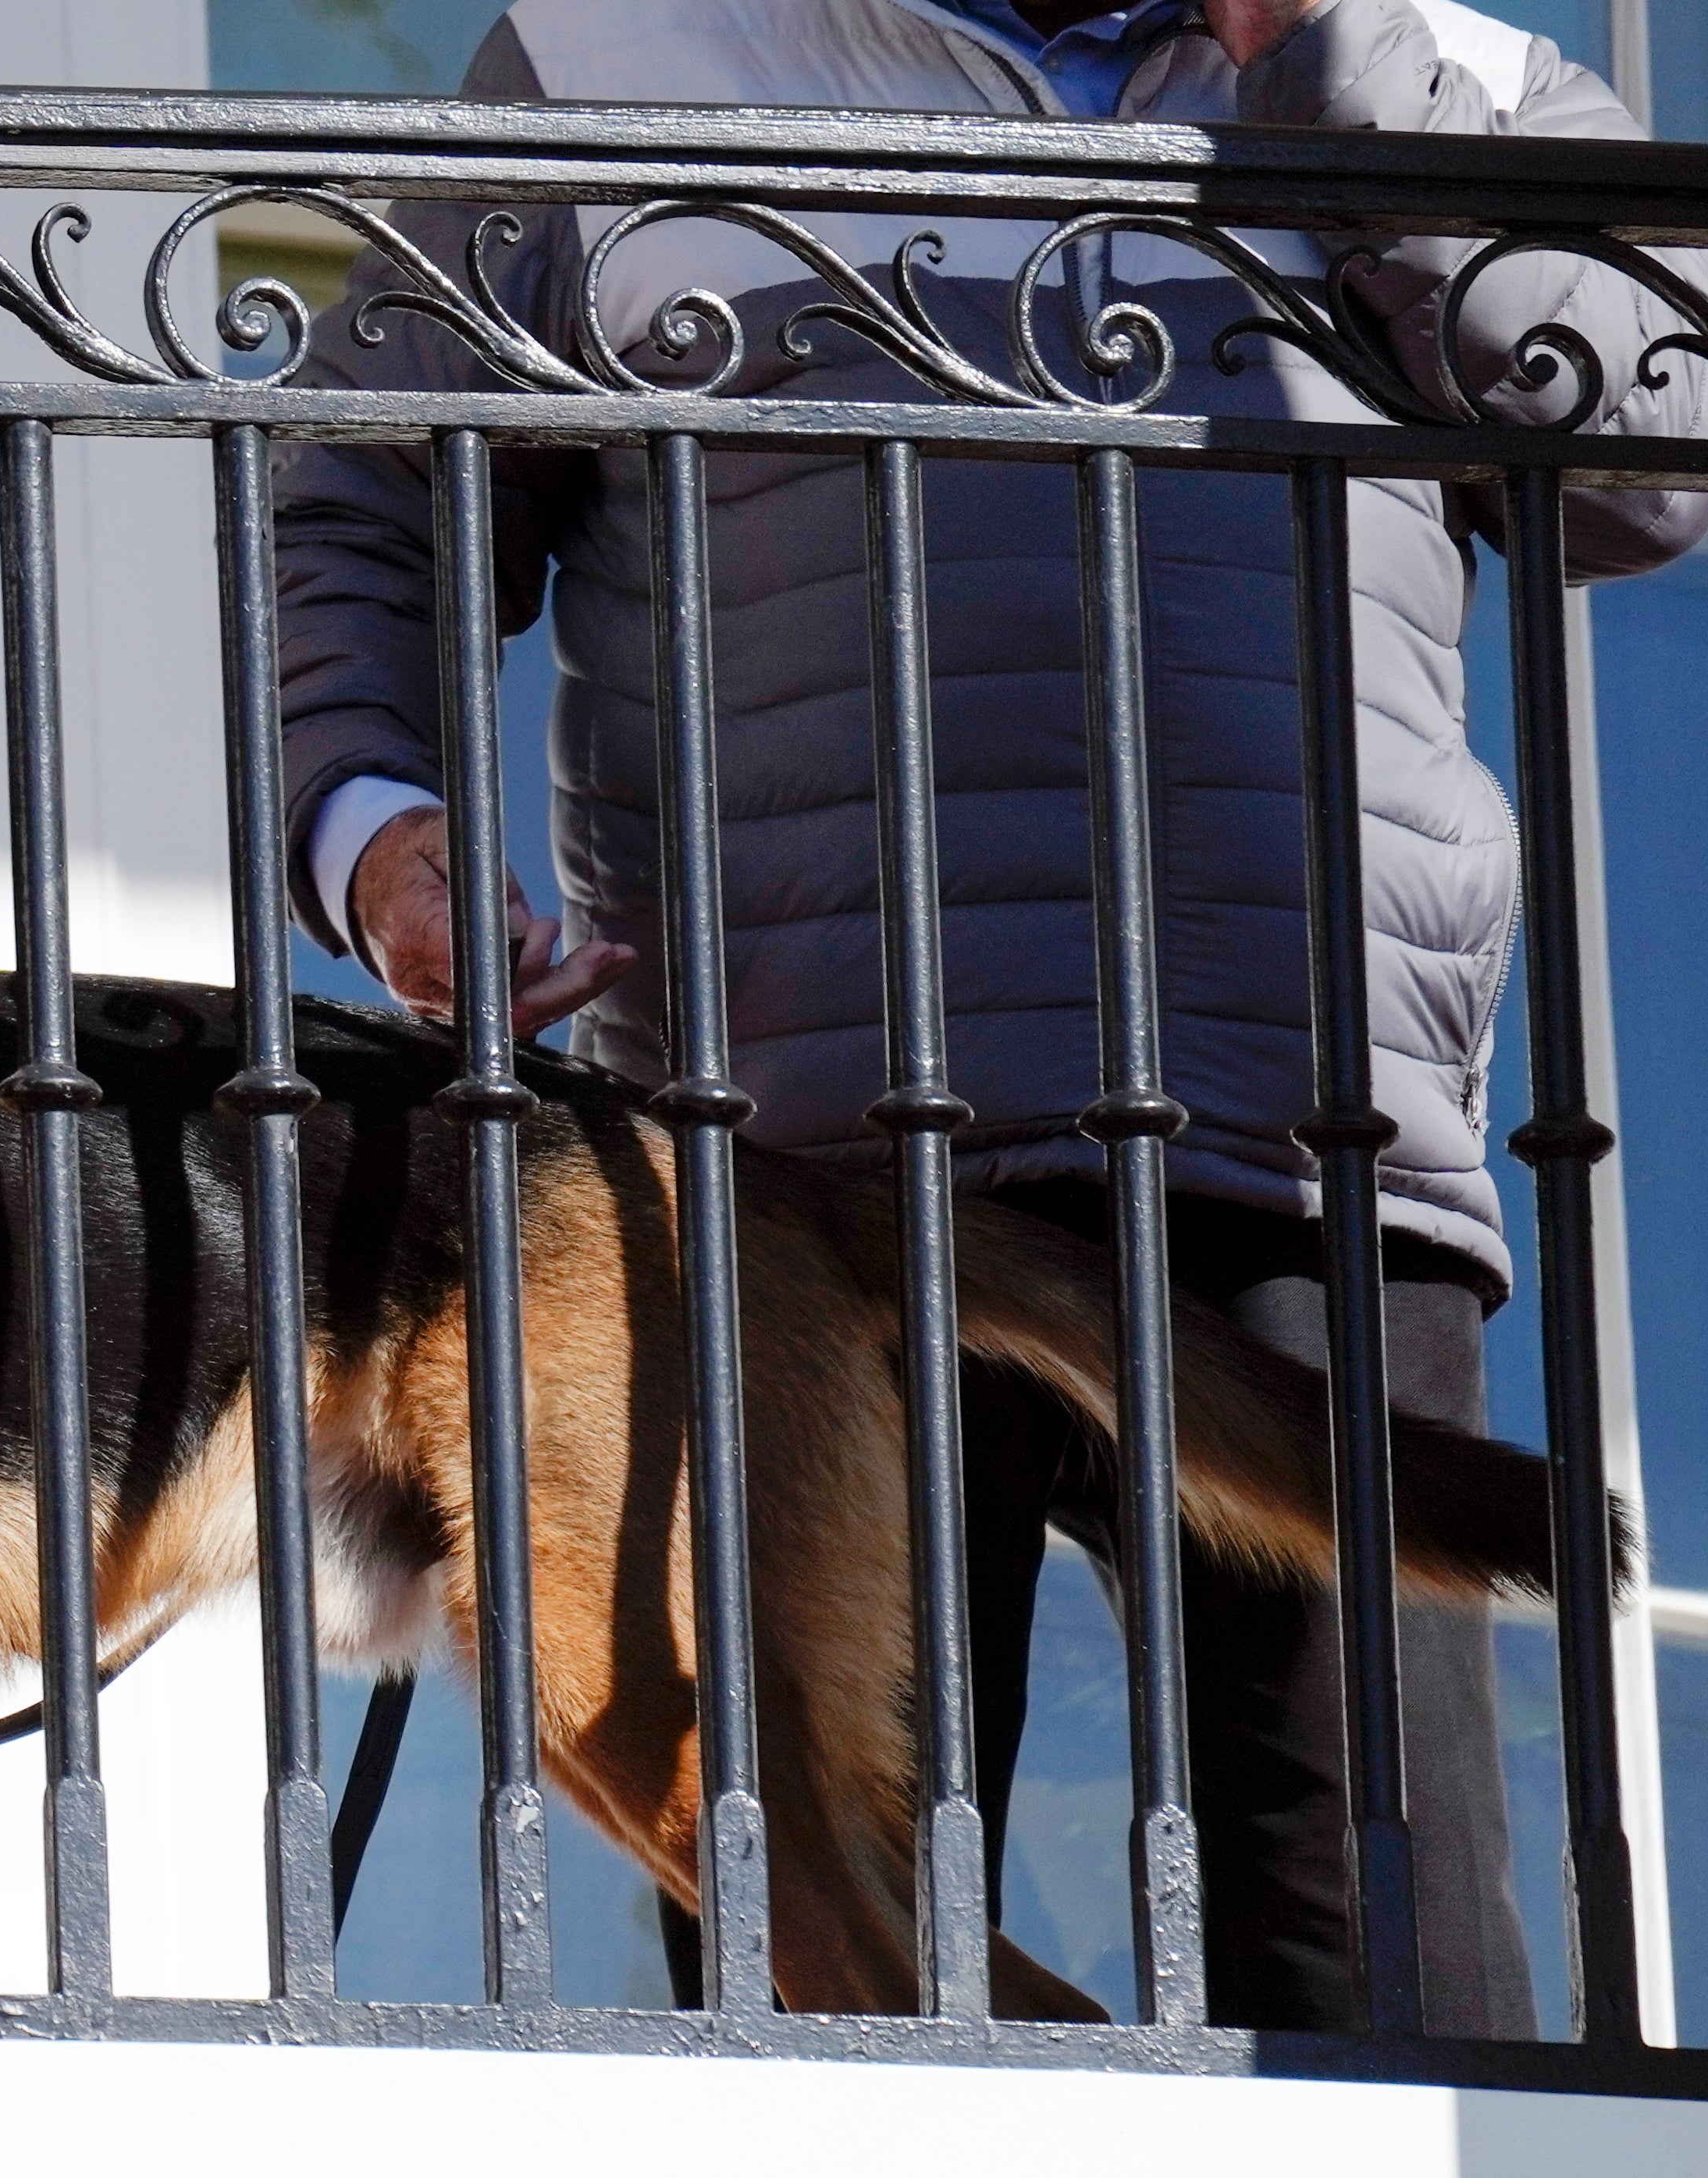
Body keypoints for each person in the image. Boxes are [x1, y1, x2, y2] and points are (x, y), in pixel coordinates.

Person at [276, 0, 1708, 2032]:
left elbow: (1641, 471)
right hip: (792, 1167)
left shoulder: (1437, 62)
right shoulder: (614, 47)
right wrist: (382, 831)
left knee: (1374, 1942)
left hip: (1297, 1132)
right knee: (835, 1942)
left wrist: (1326, 54)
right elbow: (364, 490)